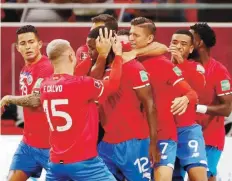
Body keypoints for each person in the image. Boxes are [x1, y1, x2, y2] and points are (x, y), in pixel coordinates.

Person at [1, 37, 123, 181]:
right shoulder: (82, 84)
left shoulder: (45, 85)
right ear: (71, 55)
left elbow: (69, 77)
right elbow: (113, 84)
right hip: (84, 163)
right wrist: (118, 55)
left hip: (56, 164)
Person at [128, 17, 199, 181]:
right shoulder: (125, 61)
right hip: (134, 138)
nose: (131, 38)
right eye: (130, 33)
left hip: (163, 135)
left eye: (136, 35)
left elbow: (191, 93)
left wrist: (186, 99)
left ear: (149, 39)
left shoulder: (164, 64)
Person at [87, 25, 158, 181]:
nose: (90, 53)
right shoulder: (99, 68)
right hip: (106, 144)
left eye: (93, 48)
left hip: (134, 143)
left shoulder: (134, 67)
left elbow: (150, 106)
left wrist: (153, 143)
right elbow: (93, 81)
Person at [1, 25, 53, 181]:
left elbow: (35, 100)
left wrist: (8, 98)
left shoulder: (46, 67)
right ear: (17, 48)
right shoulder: (25, 68)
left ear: (39, 44)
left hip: (50, 147)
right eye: (23, 43)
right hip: (28, 145)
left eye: (31, 42)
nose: (28, 46)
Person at [189, 23, 232, 181]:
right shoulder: (183, 66)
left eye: (189, 37)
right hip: (185, 136)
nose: (185, 41)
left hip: (210, 138)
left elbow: (227, 108)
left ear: (199, 43)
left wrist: (197, 108)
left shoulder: (219, 71)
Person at [169, 29, 208, 181]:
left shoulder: (195, 67)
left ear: (191, 49)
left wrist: (181, 64)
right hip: (164, 131)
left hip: (187, 129)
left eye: (183, 44)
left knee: (198, 176)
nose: (178, 46)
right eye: (174, 42)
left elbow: (199, 91)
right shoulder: (160, 64)